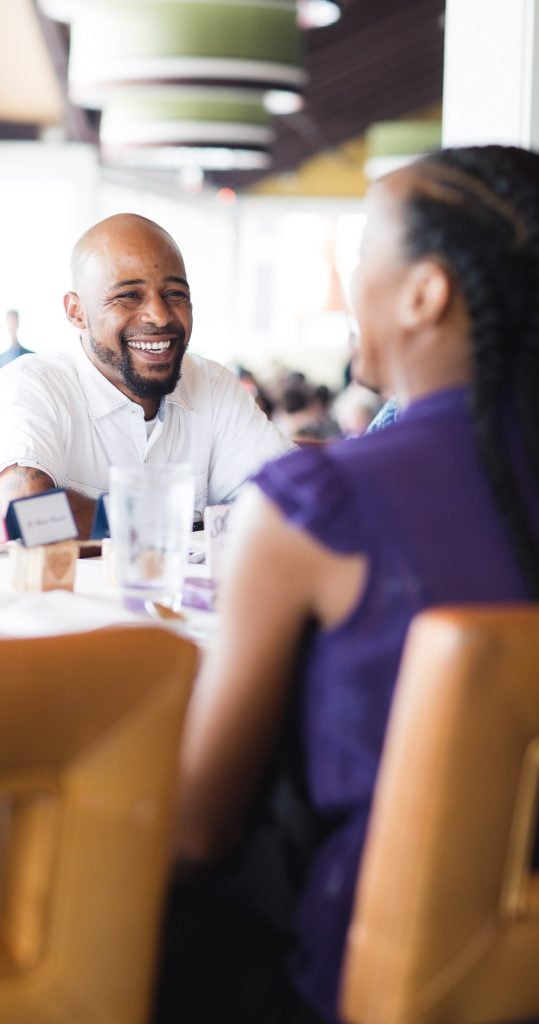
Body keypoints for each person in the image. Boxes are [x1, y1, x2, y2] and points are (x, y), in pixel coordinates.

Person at [155, 145, 539, 1024]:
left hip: (378, 980)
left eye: (363, 251)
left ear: (424, 293)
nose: (347, 284)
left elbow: (195, 835)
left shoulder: (318, 502)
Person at [0, 214, 292, 535]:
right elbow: (20, 509)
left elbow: (293, 499)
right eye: (128, 295)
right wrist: (169, 520)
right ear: (76, 312)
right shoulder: (30, 384)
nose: (159, 315)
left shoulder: (212, 384)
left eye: (175, 294)